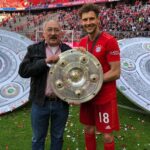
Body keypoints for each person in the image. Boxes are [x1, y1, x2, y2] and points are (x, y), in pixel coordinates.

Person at [18, 19, 71, 150]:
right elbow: (23, 71)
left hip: (61, 103)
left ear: (61, 32)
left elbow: (75, 75)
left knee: (58, 137)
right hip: (40, 103)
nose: (53, 33)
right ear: (43, 33)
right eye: (50, 30)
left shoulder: (68, 51)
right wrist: (45, 62)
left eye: (56, 30)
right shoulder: (34, 49)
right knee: (38, 138)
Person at [78, 3, 121, 150]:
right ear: (81, 22)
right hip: (88, 96)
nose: (88, 23)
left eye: (91, 19)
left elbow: (116, 72)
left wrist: (93, 81)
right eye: (85, 20)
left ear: (98, 20)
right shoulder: (82, 43)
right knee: (88, 129)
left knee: (107, 135)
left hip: (105, 97)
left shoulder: (110, 41)